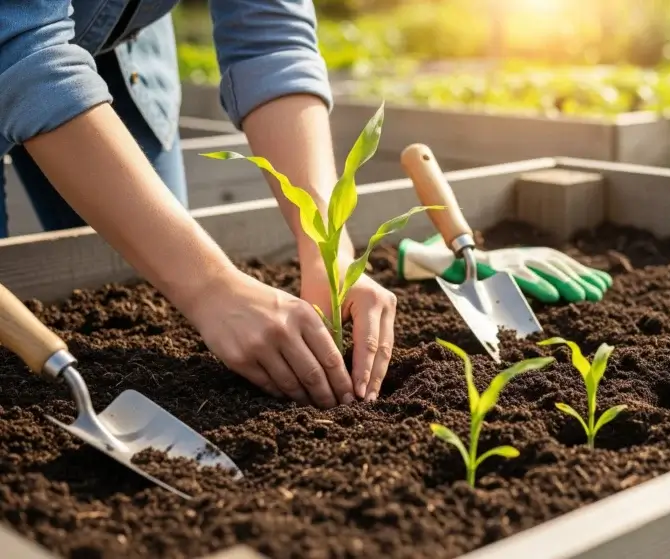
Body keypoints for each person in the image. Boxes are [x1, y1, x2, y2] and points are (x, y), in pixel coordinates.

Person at [0, 1, 397, 409]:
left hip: (119, 43)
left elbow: (271, 36)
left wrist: (327, 248)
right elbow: (22, 47)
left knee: (156, 270)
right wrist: (211, 286)